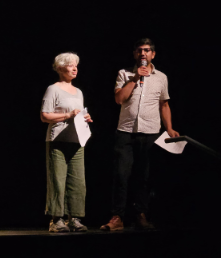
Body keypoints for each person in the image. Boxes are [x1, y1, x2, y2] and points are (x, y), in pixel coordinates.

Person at [100, 38, 179, 231]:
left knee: (144, 176)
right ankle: (117, 217)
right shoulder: (124, 73)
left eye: (146, 50)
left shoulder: (161, 77)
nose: (142, 54)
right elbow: (119, 99)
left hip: (150, 132)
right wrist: (135, 79)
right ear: (134, 54)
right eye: (139, 51)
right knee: (121, 174)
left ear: (153, 54)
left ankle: (141, 215)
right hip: (125, 132)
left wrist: (169, 128)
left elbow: (164, 104)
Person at [41, 52, 93, 232]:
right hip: (57, 140)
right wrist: (67, 116)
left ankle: (75, 218)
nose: (74, 68)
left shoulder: (78, 91)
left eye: (76, 65)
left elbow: (78, 113)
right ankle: (56, 220)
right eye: (71, 65)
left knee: (78, 181)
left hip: (77, 140)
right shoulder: (53, 89)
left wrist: (85, 117)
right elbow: (45, 115)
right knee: (57, 179)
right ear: (61, 67)